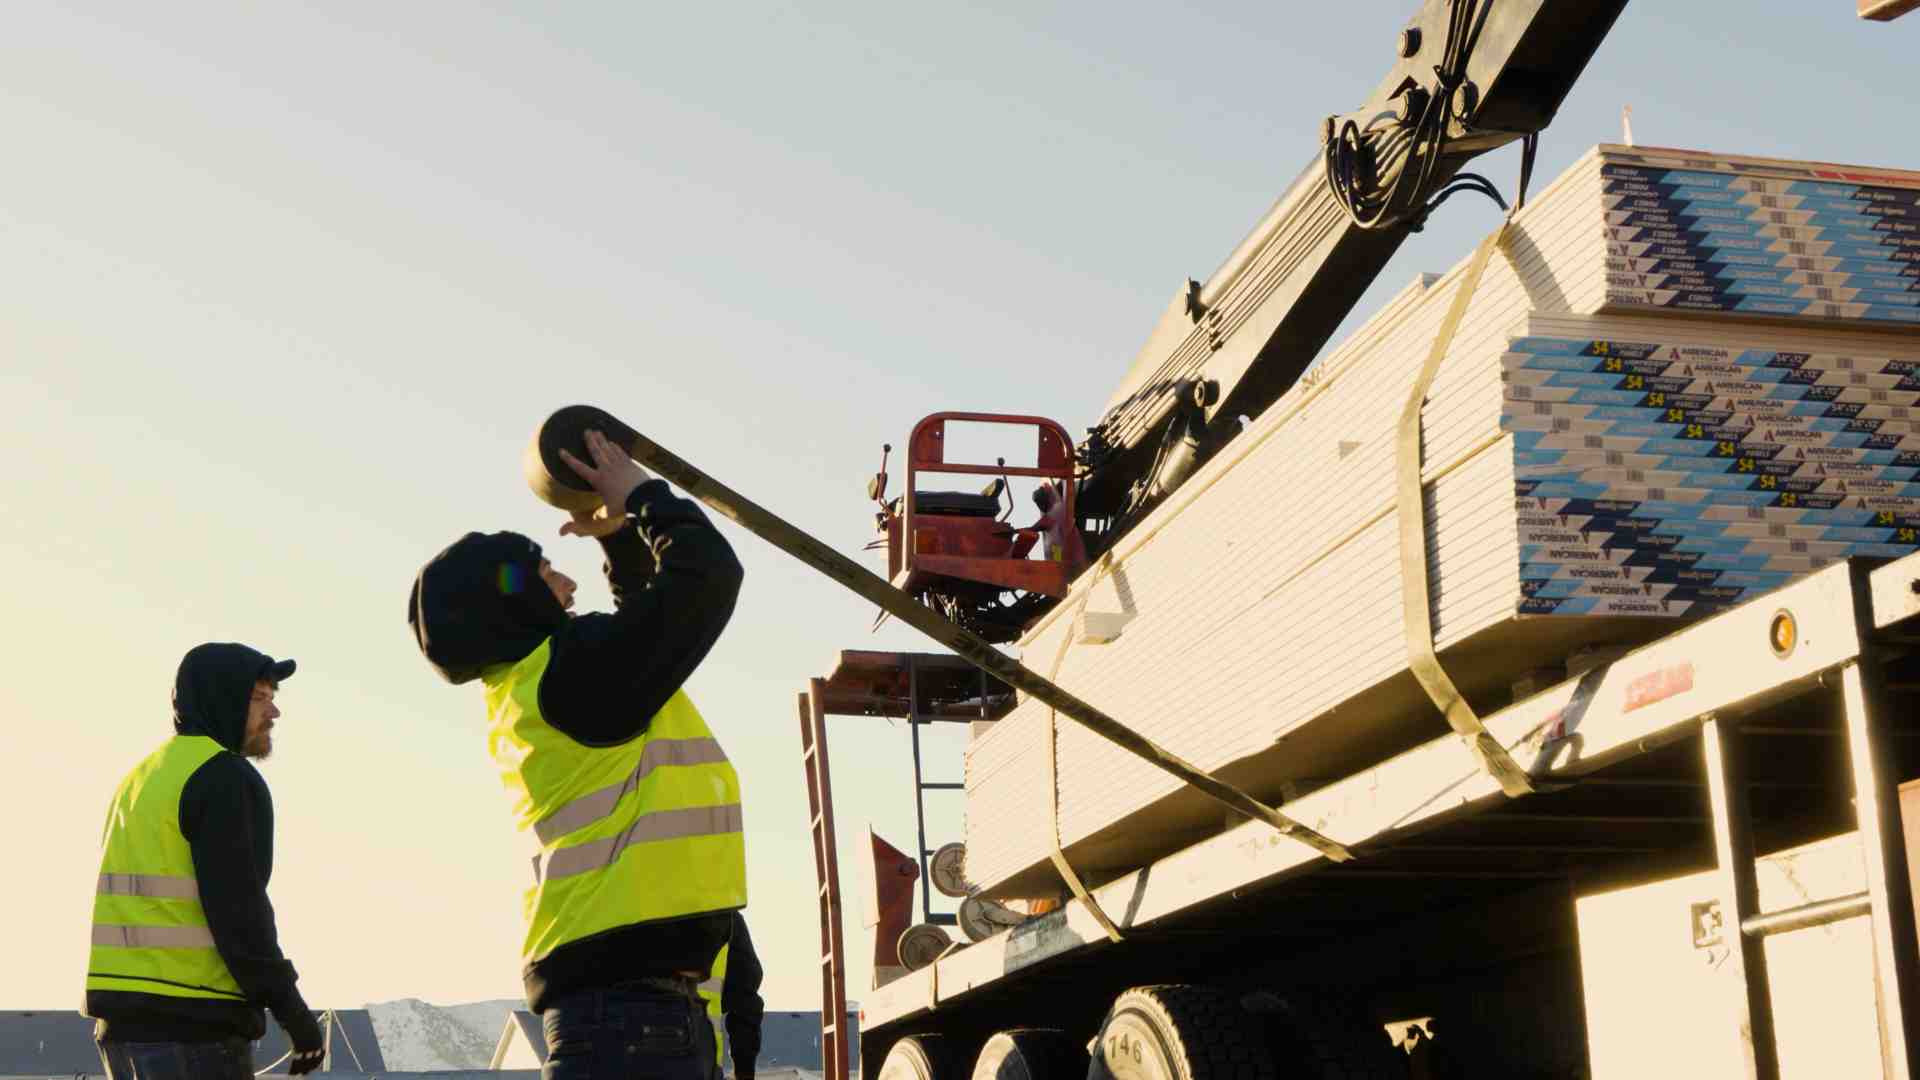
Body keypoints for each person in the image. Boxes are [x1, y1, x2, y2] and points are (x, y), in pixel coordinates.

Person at [408, 428, 747, 1079]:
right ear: (511, 602)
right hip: (632, 1016)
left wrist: (618, 539)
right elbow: (706, 577)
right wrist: (642, 497)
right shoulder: (571, 675)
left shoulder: (535, 684)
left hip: (618, 1009)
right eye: (542, 573)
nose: (566, 581)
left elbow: (643, 631)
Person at [84, 643, 325, 1079]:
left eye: (273, 698)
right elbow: (239, 912)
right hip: (192, 1030)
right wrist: (297, 1018)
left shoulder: (141, 779)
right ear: (222, 697)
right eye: (258, 697)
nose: (273, 713)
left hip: (123, 1030)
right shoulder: (222, 778)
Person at [698, 913, 765, 1080]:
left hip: (625, 1057)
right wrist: (744, 1072)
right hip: (698, 1063)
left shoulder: (629, 904)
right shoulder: (724, 917)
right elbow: (745, 1004)